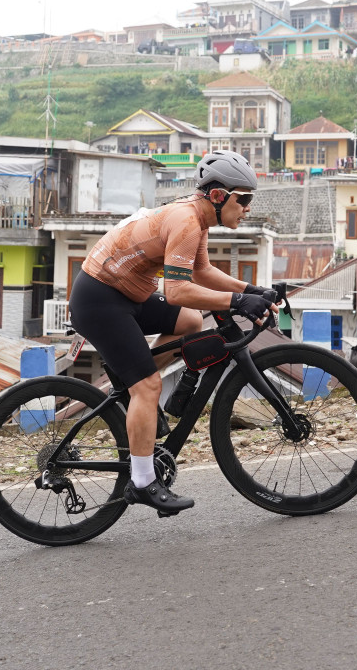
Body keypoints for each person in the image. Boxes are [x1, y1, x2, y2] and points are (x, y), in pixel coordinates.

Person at [69, 150, 279, 516]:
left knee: (190, 323)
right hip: (99, 300)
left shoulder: (197, 218)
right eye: (244, 199)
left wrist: (252, 291)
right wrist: (237, 301)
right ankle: (142, 482)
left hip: (125, 294)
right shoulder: (186, 221)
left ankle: (132, 391)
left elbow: (201, 272)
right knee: (148, 386)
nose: (248, 208)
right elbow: (178, 291)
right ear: (218, 196)